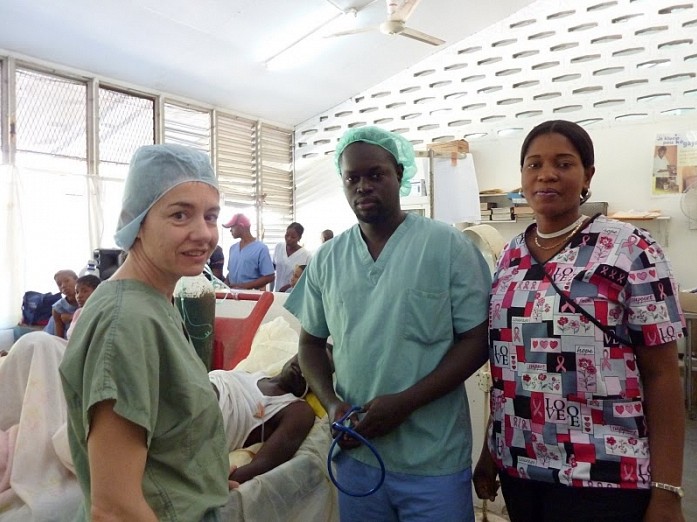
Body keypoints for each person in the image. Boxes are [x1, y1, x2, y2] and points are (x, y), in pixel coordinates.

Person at [473, 120, 686, 522]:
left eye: (563, 163)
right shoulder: (510, 258)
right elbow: (508, 369)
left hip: (605, 474)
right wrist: (490, 452)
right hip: (521, 469)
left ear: (588, 175)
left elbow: (662, 375)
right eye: (534, 164)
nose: (547, 174)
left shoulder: (632, 249)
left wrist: (667, 491)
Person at [284, 126, 491, 522]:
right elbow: (310, 345)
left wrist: (406, 403)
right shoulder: (328, 258)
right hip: (357, 452)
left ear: (399, 174)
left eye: (375, 174)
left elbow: (477, 340)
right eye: (352, 178)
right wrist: (331, 403)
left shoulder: (448, 247)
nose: (363, 186)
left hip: (432, 458)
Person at [60, 144, 229, 521]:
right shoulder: (127, 323)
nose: (203, 233)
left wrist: (199, 484)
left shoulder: (154, 302)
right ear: (137, 221)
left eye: (211, 216)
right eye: (180, 214)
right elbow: (114, 509)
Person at [209, 354, 315, 486]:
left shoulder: (298, 411)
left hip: (201, 421)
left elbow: (262, 464)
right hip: (194, 390)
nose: (305, 365)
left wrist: (215, 486)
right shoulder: (251, 374)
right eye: (309, 355)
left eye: (318, 366)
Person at [223, 213, 275, 290]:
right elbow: (231, 273)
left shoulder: (261, 248)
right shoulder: (233, 248)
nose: (230, 230)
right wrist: (224, 285)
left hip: (251, 294)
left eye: (232, 227)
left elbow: (270, 276)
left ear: (241, 227)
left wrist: (245, 286)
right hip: (232, 293)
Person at [273, 222, 311, 292]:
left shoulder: (306, 255)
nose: (289, 238)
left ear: (299, 238)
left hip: (293, 293)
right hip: (277, 291)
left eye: (293, 237)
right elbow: (273, 267)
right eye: (287, 235)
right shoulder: (279, 247)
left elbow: (306, 279)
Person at [44, 269, 79, 339]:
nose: (63, 286)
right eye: (59, 284)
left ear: (77, 280)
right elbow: (59, 338)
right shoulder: (58, 308)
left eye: (67, 281)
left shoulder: (87, 300)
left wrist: (71, 317)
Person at [65, 274, 101, 340]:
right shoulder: (78, 312)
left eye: (85, 291)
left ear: (97, 292)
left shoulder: (100, 312)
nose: (79, 296)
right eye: (77, 292)